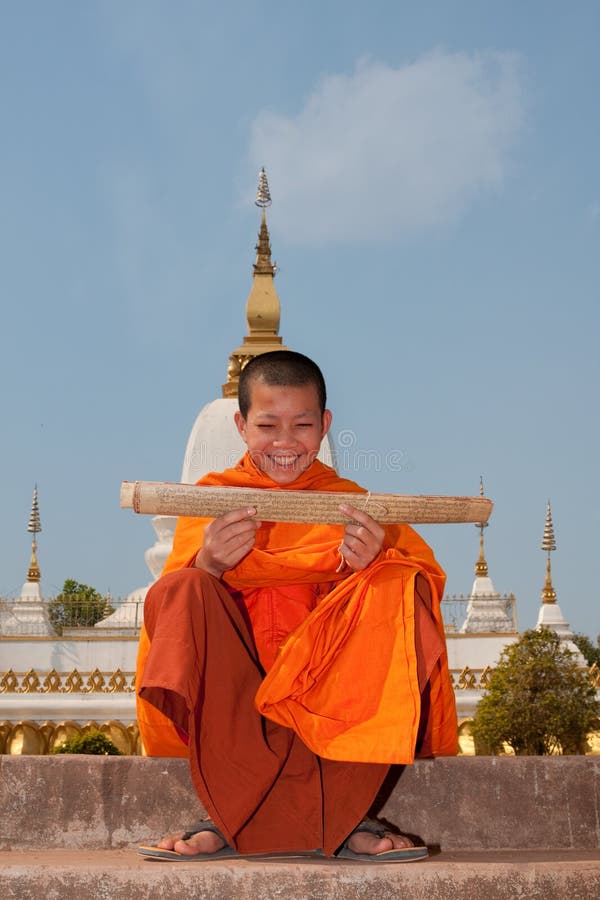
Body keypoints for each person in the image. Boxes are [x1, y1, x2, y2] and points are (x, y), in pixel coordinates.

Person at [136, 350, 457, 862]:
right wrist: (210, 564)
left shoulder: (352, 504)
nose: (285, 444)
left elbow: (416, 589)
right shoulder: (213, 500)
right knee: (182, 589)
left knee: (398, 583)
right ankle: (228, 811)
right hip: (238, 692)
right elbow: (178, 611)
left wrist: (370, 565)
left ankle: (346, 814)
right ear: (240, 425)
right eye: (268, 425)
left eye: (302, 425)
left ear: (325, 425)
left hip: (324, 687)